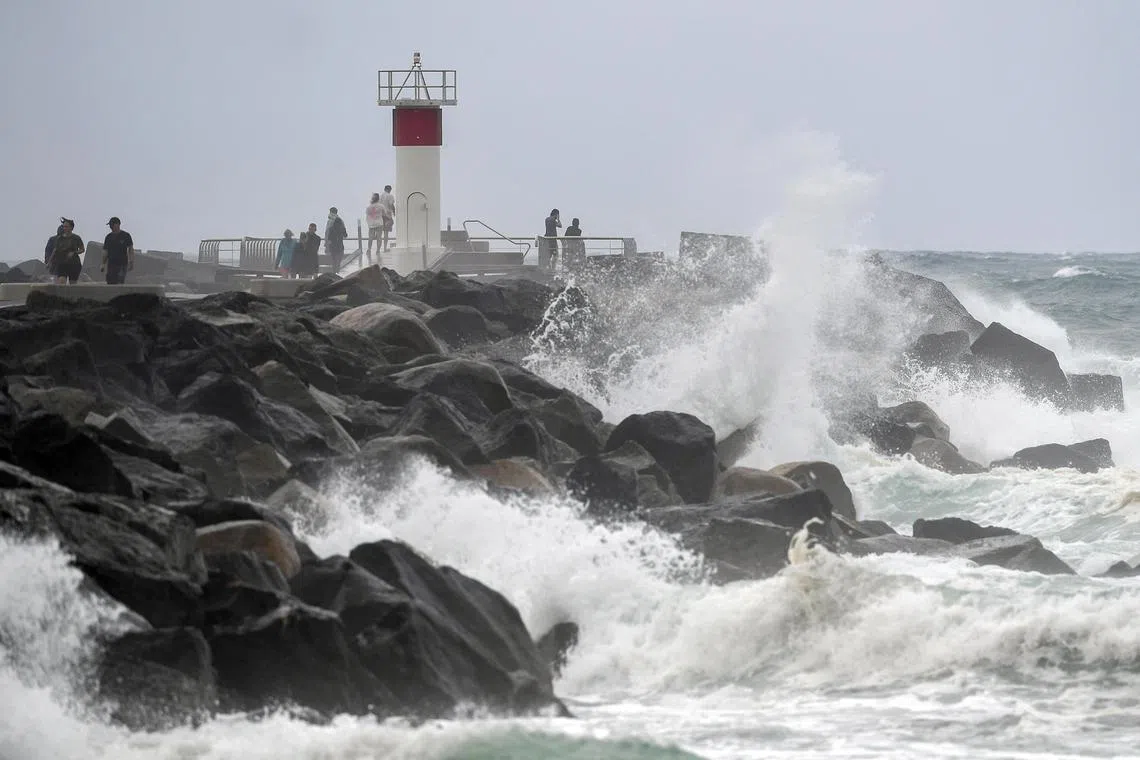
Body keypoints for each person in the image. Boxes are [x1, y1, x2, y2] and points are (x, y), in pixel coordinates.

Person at [48, 217, 85, 284]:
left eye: (66, 226)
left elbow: (82, 249)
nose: (64, 228)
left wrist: (74, 253)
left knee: (72, 284)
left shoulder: (76, 238)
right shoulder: (59, 238)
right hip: (62, 263)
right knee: (61, 282)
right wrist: (49, 262)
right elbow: (55, 250)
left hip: (74, 264)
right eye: (64, 226)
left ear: (71, 227)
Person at [101, 216, 135, 284]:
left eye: (112, 224)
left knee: (119, 282)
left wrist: (131, 261)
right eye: (110, 225)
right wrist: (103, 264)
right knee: (110, 282)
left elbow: (130, 249)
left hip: (122, 264)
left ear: (117, 224)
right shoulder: (108, 237)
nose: (110, 226)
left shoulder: (126, 235)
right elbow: (105, 251)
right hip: (111, 264)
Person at [325, 207, 348, 272]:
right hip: (340, 245)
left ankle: (334, 272)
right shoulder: (341, 220)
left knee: (333, 261)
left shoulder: (330, 221)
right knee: (338, 261)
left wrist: (326, 244)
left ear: (331, 212)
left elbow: (327, 234)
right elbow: (345, 234)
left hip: (332, 245)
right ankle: (337, 272)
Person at [365, 193, 383, 263]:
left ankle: (369, 249)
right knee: (379, 237)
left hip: (371, 224)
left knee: (370, 237)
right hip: (379, 223)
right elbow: (385, 213)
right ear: (378, 199)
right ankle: (378, 250)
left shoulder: (369, 207)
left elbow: (367, 215)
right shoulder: (381, 206)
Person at [378, 185, 395, 251]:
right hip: (387, 215)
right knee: (386, 232)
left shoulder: (380, 196)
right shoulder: (390, 196)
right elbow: (391, 204)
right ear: (389, 189)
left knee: (380, 233)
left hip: (380, 215)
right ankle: (385, 248)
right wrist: (394, 211)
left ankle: (378, 248)